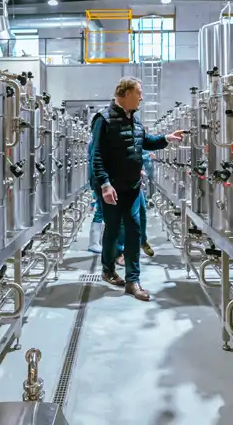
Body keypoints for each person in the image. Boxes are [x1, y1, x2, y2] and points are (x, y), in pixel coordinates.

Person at [90, 77, 184, 301]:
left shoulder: (134, 119)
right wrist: (105, 184)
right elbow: (96, 156)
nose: (141, 97)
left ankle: (133, 280)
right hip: (112, 188)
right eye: (138, 93)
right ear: (125, 94)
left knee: (134, 231)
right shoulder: (103, 119)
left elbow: (145, 141)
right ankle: (108, 270)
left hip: (131, 187)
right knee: (113, 230)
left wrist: (166, 138)